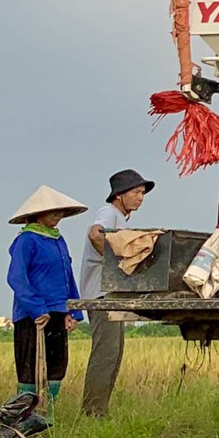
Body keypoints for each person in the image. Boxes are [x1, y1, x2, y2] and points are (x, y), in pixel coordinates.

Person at [6, 186, 87, 419]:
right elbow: (16, 278)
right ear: (37, 214)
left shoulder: (59, 241)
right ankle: (25, 416)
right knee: (30, 367)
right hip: (32, 315)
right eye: (52, 211)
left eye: (60, 211)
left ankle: (47, 413)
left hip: (59, 312)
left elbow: (68, 277)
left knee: (57, 365)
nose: (58, 215)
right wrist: (37, 308)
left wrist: (73, 311)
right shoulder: (26, 240)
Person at [79, 168, 154, 417]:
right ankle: (93, 412)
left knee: (114, 353)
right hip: (101, 295)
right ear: (119, 195)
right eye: (136, 192)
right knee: (105, 354)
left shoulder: (121, 218)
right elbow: (95, 234)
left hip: (111, 295)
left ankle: (101, 409)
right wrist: (115, 263)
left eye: (142, 193)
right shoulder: (108, 212)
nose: (141, 197)